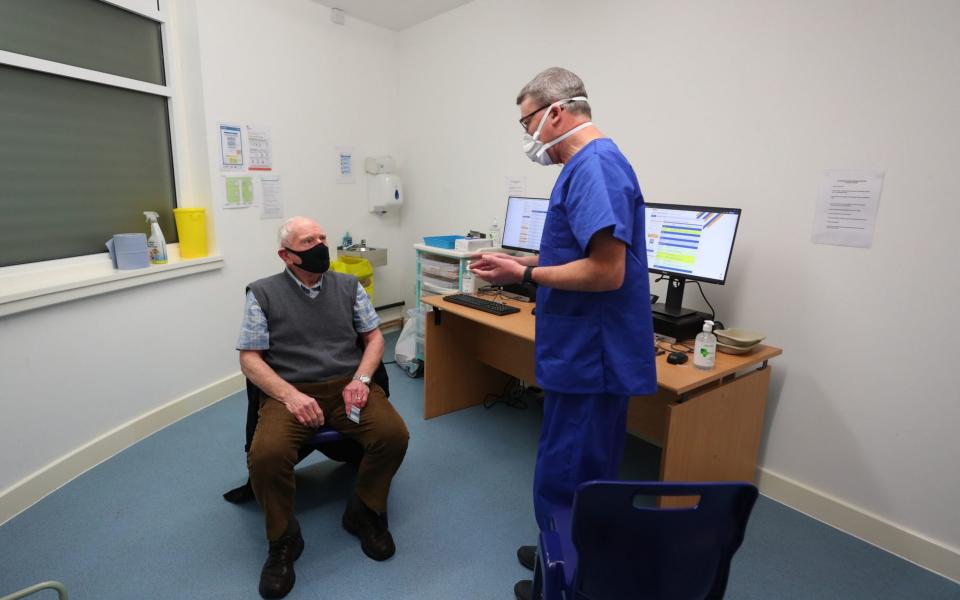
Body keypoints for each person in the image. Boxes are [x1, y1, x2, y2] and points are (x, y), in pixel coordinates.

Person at [468, 67, 657, 600]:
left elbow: (607, 271)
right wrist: (519, 259)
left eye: (527, 121)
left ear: (556, 111)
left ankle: (566, 584)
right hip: (583, 351)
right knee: (571, 468)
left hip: (590, 357)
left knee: (570, 476)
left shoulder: (594, 167)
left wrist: (523, 275)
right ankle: (563, 554)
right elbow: (576, 252)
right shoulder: (585, 167)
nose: (528, 136)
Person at [236, 216, 409, 599]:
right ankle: (284, 538)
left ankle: (364, 510)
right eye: (308, 241)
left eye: (322, 237)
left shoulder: (348, 285)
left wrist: (362, 380)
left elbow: (374, 337)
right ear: (287, 255)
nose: (320, 246)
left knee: (393, 435)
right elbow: (250, 358)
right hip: (292, 391)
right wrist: (290, 396)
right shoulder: (262, 293)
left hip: (348, 385)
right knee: (266, 455)